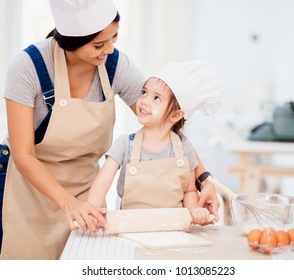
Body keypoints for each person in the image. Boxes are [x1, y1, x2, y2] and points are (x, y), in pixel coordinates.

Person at [0, 0, 220, 260]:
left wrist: (205, 179)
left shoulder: (113, 64)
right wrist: (68, 203)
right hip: (27, 188)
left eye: (114, 37)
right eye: (98, 44)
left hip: (85, 187)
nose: (109, 49)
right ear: (70, 41)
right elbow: (24, 155)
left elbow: (166, 125)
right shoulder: (27, 67)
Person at [83, 61, 222, 227]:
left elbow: (190, 190)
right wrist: (92, 209)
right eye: (144, 92)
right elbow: (102, 182)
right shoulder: (125, 144)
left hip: (173, 231)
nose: (144, 101)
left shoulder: (184, 148)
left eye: (156, 98)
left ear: (176, 115)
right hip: (131, 228)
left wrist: (195, 212)